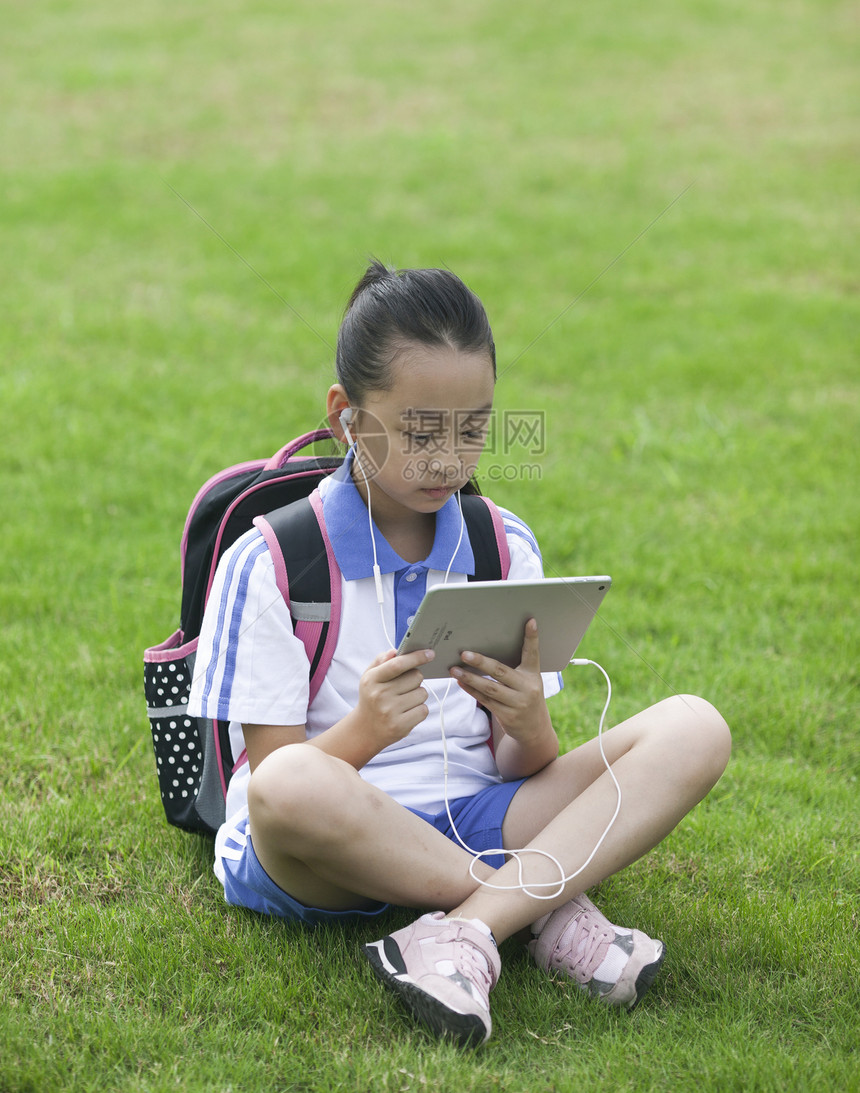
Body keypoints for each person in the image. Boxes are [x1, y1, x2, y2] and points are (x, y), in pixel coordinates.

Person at [188, 260, 731, 1047]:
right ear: (346, 414)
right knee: (292, 782)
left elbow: (518, 762)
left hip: (475, 815)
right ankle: (541, 902)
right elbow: (269, 780)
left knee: (695, 727)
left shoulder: (501, 545)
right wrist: (366, 732)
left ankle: (469, 929)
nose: (448, 458)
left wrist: (530, 720)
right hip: (324, 848)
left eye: (473, 429)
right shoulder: (271, 559)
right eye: (419, 432)